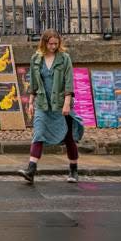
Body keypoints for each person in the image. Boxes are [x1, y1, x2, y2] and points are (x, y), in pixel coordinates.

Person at [20, 30, 85, 184]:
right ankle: (31, 169)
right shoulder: (36, 59)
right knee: (39, 133)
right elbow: (33, 84)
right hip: (43, 103)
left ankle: (73, 169)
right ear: (44, 42)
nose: (53, 46)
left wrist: (67, 103)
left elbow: (69, 82)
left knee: (68, 137)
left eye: (56, 44)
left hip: (61, 103)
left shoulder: (64, 58)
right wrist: (30, 103)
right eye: (51, 44)